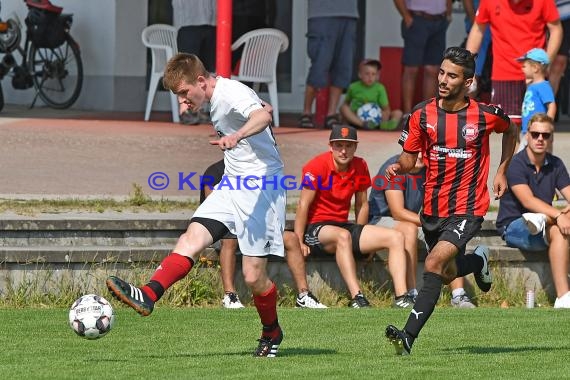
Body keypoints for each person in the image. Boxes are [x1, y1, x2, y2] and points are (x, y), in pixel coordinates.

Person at [106, 53, 286, 357]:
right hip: (233, 184)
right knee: (191, 238)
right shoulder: (221, 93)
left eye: (184, 93)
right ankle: (149, 294)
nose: (182, 103)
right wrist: (256, 114)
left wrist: (238, 135)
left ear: (201, 81)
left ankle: (272, 330)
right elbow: (262, 109)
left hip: (262, 189)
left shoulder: (229, 94)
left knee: (253, 276)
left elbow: (264, 117)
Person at [384, 47, 517, 355]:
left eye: (452, 75)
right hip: (431, 208)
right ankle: (477, 261)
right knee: (444, 272)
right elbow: (409, 159)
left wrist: (501, 170)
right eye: (441, 73)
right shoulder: (420, 113)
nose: (443, 80)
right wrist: (398, 167)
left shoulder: (485, 115)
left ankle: (407, 337)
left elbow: (511, 130)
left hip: (468, 208)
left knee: (432, 262)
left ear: (468, 81)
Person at [294, 124, 414, 308]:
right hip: (317, 228)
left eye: (348, 146)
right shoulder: (316, 166)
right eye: (339, 145)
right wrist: (298, 241)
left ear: (355, 147)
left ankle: (401, 297)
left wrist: (361, 238)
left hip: (343, 226)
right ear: (330, 146)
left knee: (396, 236)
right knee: (343, 236)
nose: (343, 151)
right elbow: (302, 205)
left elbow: (362, 204)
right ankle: (357, 297)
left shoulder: (360, 165)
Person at [200, 159, 327, 309]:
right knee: (230, 239)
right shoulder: (213, 172)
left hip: (255, 229)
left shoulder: (261, 172)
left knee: (291, 238)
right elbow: (214, 208)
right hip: (222, 229)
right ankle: (230, 295)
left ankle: (303, 295)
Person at [369, 153, 476, 308]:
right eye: (415, 151)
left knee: (449, 232)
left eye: (423, 150)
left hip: (413, 221)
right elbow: (397, 212)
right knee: (410, 229)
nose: (419, 156)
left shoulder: (432, 167)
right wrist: (431, 223)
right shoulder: (394, 166)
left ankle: (458, 295)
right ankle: (412, 293)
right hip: (380, 220)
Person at [496, 113, 570, 308]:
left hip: (544, 225)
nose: (540, 139)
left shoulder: (556, 164)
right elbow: (527, 200)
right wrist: (559, 214)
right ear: (526, 135)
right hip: (514, 226)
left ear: (551, 138)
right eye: (535, 134)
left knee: (557, 229)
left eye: (545, 135)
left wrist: (562, 214)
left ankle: (563, 299)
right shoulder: (515, 164)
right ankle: (563, 295)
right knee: (557, 224)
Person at [466, 0, 561, 132]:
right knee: (510, 131)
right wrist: (469, 68)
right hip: (504, 75)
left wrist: (545, 62)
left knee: (541, 129)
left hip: (534, 77)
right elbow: (477, 30)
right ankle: (515, 154)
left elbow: (556, 28)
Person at [299, 0, 358, 129]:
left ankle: (331, 114)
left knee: (343, 66)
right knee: (319, 66)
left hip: (349, 14)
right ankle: (306, 113)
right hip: (321, 13)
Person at [393, 0, 451, 115]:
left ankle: (426, 114)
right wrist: (407, 17)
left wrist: (448, 13)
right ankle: (407, 114)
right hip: (417, 18)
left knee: (433, 69)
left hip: (439, 20)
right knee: (411, 68)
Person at [172, 0, 216, 125]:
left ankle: (199, 109)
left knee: (206, 70)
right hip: (188, 22)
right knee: (186, 69)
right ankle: (185, 110)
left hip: (211, 22)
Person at [339, 59, 403, 131]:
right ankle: (363, 124)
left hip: (377, 118)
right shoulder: (353, 87)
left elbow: (386, 109)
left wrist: (385, 115)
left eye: (373, 74)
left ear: (377, 76)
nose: (370, 77)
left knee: (398, 113)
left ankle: (385, 125)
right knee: (343, 108)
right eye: (367, 74)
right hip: (357, 118)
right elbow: (346, 103)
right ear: (360, 74)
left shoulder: (380, 88)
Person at [518, 48, 557, 152]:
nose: (522, 68)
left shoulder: (543, 86)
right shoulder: (533, 85)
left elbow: (552, 106)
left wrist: (547, 126)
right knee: (525, 161)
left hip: (538, 133)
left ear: (535, 68)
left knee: (523, 160)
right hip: (528, 131)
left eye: (524, 66)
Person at [547, 0, 570, 98]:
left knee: (559, 62)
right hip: (534, 7)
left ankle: (546, 109)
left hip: (565, 9)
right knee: (534, 61)